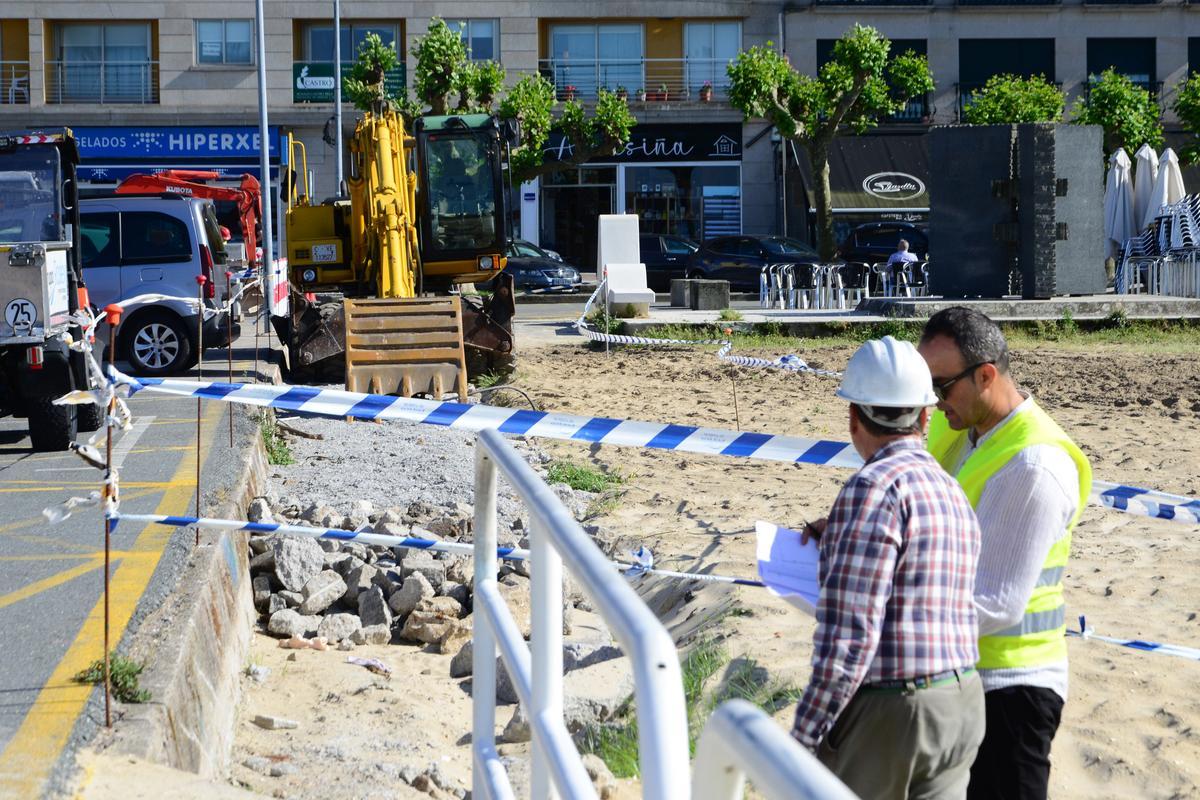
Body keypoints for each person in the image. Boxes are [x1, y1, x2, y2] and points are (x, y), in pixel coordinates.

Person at [792, 335, 985, 800]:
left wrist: (801, 738)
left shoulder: (872, 488)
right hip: (962, 699)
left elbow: (848, 639)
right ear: (925, 417)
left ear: (853, 417)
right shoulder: (949, 488)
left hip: (895, 710)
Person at [917, 307, 1092, 800]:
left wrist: (887, 618)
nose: (933, 403)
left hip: (1013, 689)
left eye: (941, 386)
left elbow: (994, 603)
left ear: (986, 376)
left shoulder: (1033, 466)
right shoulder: (959, 429)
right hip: (961, 676)